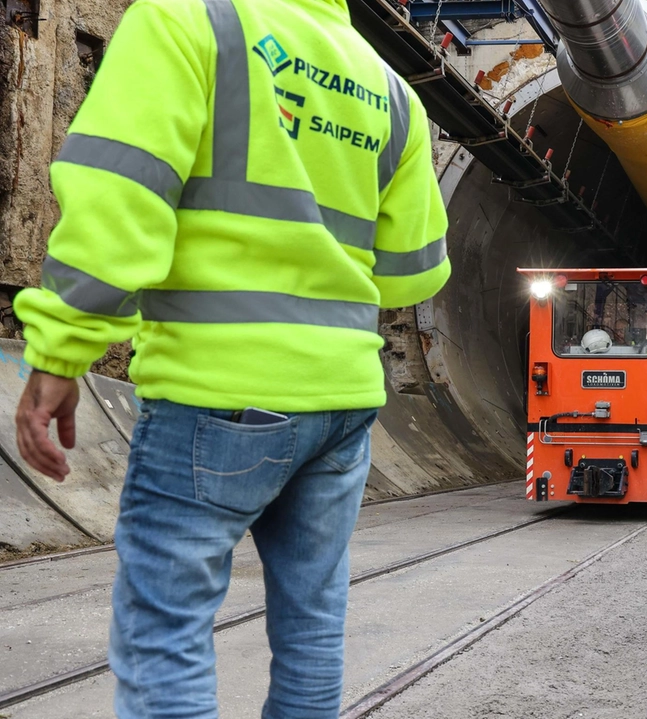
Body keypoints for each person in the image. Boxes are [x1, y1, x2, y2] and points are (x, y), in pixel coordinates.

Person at [12, 0, 450, 716]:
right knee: (312, 626)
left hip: (213, 392)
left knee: (168, 632)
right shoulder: (390, 87)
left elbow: (117, 204)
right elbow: (413, 271)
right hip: (340, 405)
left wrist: (61, 354)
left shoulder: (188, 23)